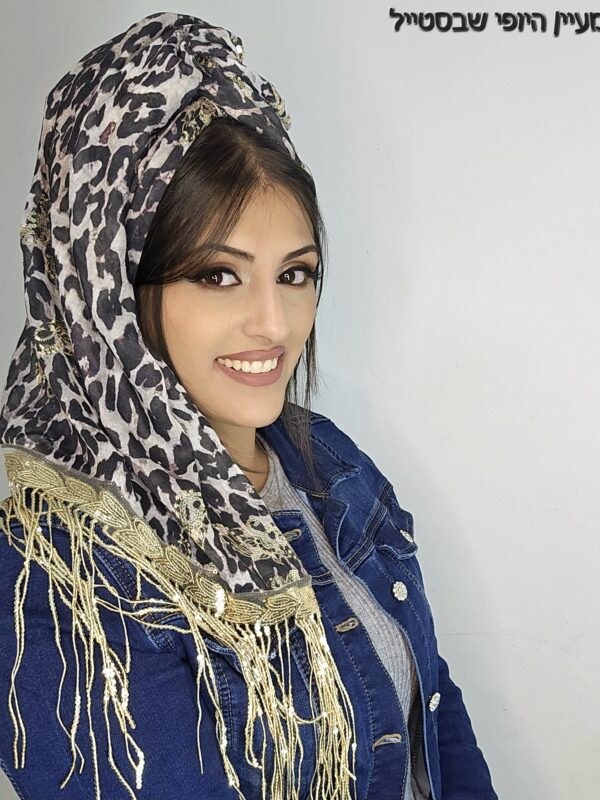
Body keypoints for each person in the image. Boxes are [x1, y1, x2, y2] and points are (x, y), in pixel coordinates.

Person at [0, 11, 498, 800]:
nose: (274, 324)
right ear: (111, 295)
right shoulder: (58, 574)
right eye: (218, 275)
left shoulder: (327, 462)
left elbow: (433, 711)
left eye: (294, 274)